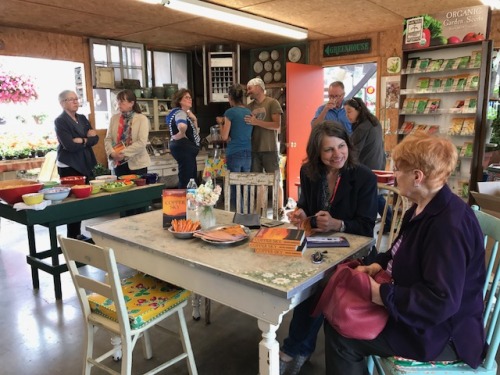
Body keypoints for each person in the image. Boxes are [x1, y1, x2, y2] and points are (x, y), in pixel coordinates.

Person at [324, 132, 486, 375]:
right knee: (338, 317)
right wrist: (377, 266)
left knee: (342, 334)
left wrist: (381, 294)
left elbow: (439, 302)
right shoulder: (423, 207)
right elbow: (397, 251)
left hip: (442, 334)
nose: (394, 175)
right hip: (419, 317)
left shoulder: (448, 226)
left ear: (417, 177)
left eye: (398, 169)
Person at [280, 121, 378, 375]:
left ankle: (295, 349)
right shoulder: (309, 172)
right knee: (296, 274)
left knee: (321, 284)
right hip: (318, 247)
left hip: (356, 254)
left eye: (341, 146)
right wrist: (301, 212)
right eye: (328, 150)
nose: (337, 155)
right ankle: (299, 346)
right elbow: (306, 207)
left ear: (349, 144)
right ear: (317, 153)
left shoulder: (364, 176)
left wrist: (339, 223)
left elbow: (367, 229)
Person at [54, 90, 99, 241]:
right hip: (69, 164)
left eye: (76, 99)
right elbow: (69, 146)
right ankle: (72, 236)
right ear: (62, 103)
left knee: (81, 200)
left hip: (84, 161)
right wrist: (87, 139)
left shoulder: (82, 118)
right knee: (72, 201)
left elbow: (95, 139)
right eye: (70, 99)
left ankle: (77, 233)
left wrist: (81, 140)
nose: (75, 102)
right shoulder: (60, 121)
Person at [344, 97, 392, 233]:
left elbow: (352, 150)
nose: (347, 116)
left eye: (349, 112)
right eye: (345, 112)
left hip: (368, 165)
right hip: (378, 162)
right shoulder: (373, 121)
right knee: (376, 194)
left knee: (373, 195)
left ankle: (387, 220)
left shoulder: (362, 128)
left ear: (359, 110)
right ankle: (389, 220)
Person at [245, 77, 285, 218]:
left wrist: (256, 122)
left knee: (275, 179)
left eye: (250, 87)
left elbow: (277, 125)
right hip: (254, 149)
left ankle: (279, 208)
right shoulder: (248, 107)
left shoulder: (272, 103)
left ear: (259, 87)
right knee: (258, 180)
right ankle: (259, 211)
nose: (248, 90)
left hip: (270, 148)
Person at [104, 89, 151, 177]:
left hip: (137, 164)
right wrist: (112, 153)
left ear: (131, 103)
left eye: (122, 102)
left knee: (138, 190)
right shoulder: (114, 118)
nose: (119, 104)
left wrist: (123, 153)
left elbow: (141, 143)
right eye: (118, 101)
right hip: (118, 163)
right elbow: (108, 139)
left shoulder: (142, 119)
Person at [166, 88, 201, 188]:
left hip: (185, 150)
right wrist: (181, 133)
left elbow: (195, 133)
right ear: (179, 100)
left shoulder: (182, 114)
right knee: (187, 180)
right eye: (186, 97)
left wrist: (194, 119)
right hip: (184, 150)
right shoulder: (180, 113)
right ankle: (186, 202)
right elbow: (182, 126)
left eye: (190, 98)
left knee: (189, 179)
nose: (190, 99)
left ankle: (189, 201)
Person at [221, 83, 253, 173]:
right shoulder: (249, 112)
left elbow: (224, 137)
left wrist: (221, 124)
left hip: (234, 152)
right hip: (248, 152)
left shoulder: (230, 113)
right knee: (246, 185)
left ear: (230, 97)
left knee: (234, 185)